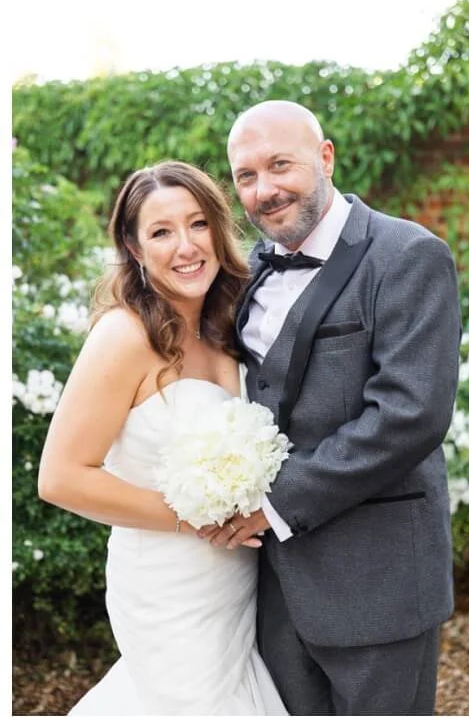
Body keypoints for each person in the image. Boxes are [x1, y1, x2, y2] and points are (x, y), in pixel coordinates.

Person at [197, 100, 462, 715]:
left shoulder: (407, 255)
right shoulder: (248, 269)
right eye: (245, 176)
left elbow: (410, 414)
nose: (263, 190)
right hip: (271, 590)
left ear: (325, 157)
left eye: (279, 165)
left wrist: (272, 505)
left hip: (379, 580)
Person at [37, 161, 288, 714]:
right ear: (133, 247)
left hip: (235, 584)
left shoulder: (232, 324)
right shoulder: (124, 336)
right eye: (161, 232)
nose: (186, 247)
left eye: (198, 224)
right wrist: (191, 519)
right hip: (166, 585)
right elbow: (60, 478)